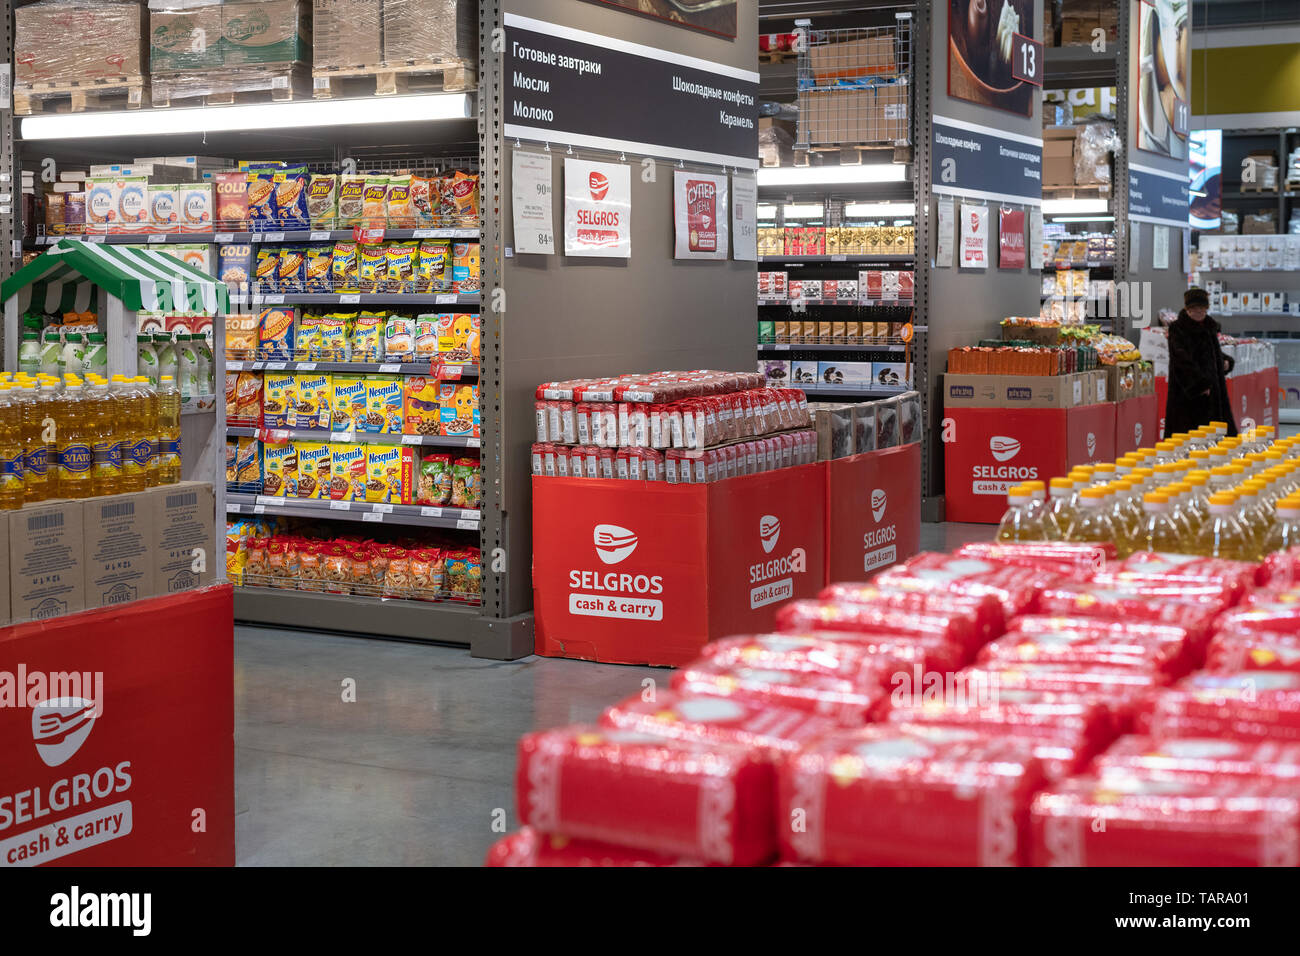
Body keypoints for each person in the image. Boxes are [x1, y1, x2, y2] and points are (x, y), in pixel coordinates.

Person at [1164, 287, 1237, 438]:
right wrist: (1199, 385)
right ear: (1187, 309)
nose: (1198, 313)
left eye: (1202, 309)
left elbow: (1211, 352)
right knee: (1191, 438)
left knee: (1215, 437)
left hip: (1214, 392)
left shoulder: (1209, 327)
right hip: (1189, 395)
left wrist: (1224, 361)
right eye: (1194, 309)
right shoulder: (1178, 329)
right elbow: (1181, 360)